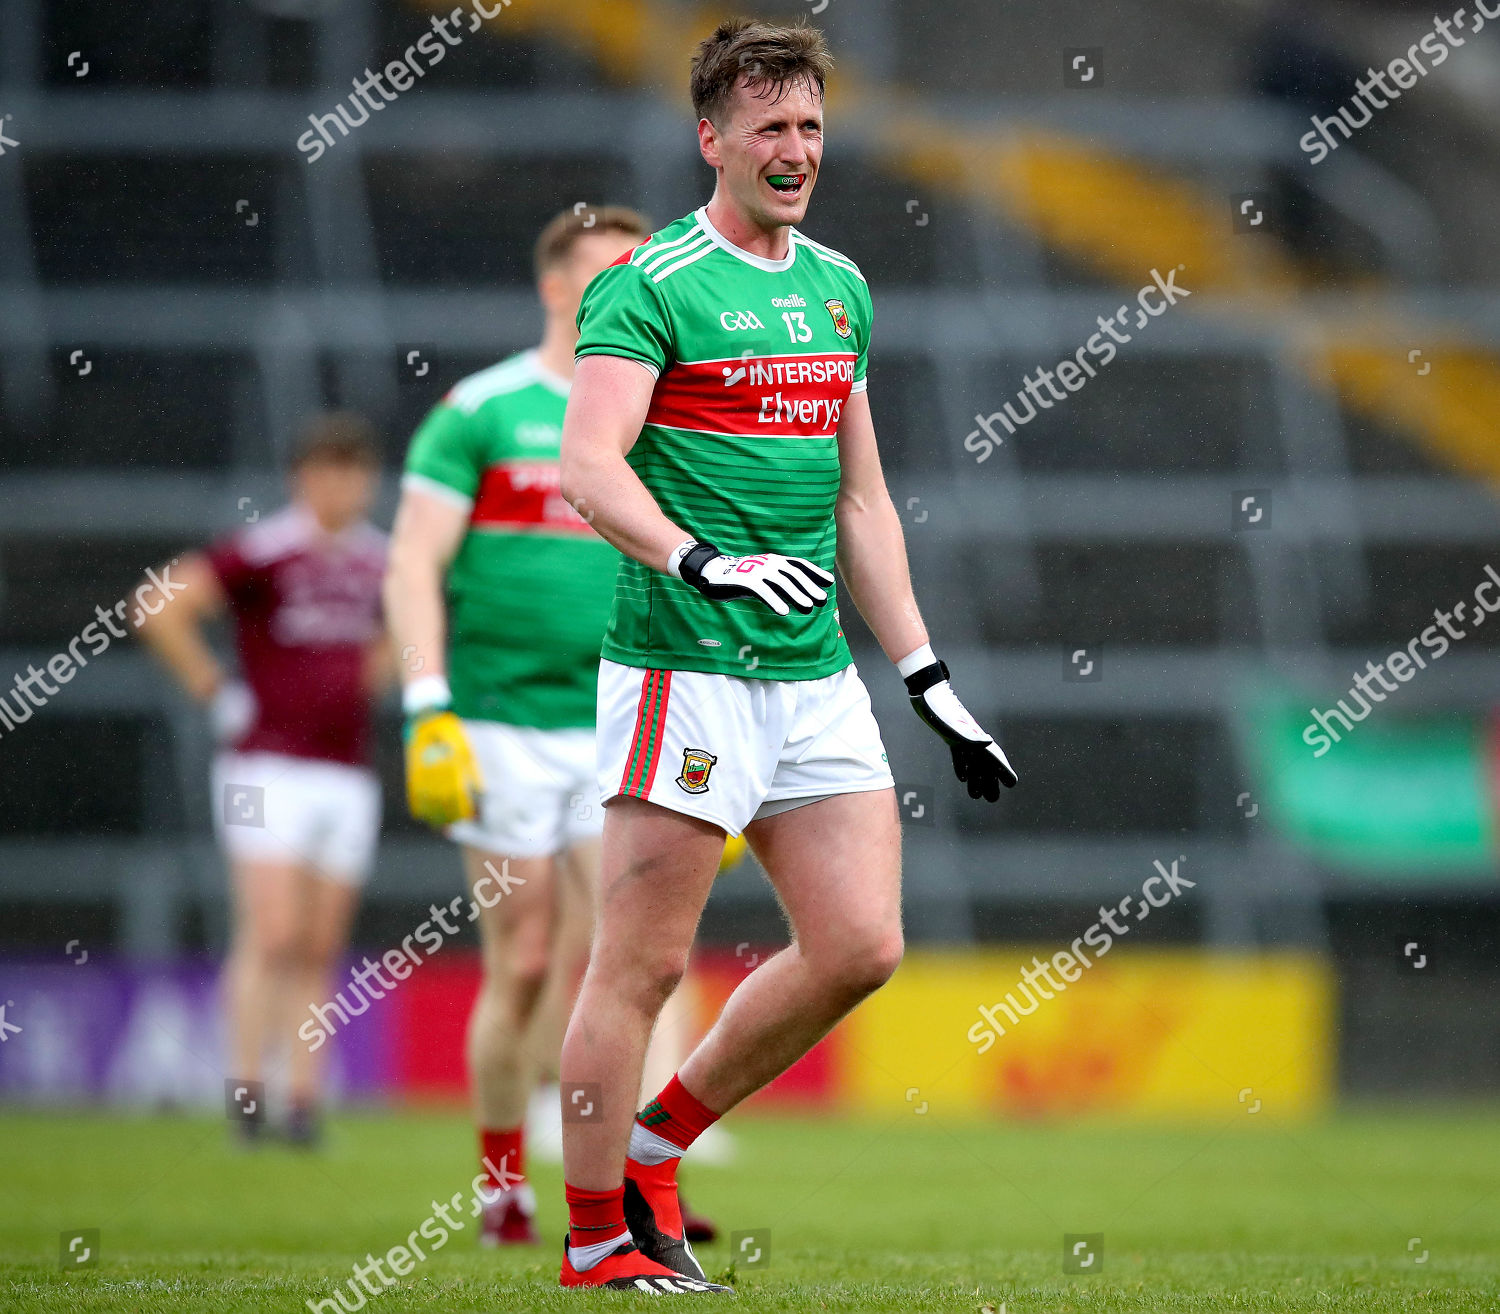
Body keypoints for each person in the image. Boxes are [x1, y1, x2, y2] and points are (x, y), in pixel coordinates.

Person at [554, 18, 1018, 1293]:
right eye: (769, 125)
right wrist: (701, 560)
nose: (796, 147)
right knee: (640, 965)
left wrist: (929, 680)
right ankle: (594, 1238)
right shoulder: (647, 283)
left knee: (863, 944)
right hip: (681, 666)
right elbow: (586, 466)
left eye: (811, 123)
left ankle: (658, 1145)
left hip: (812, 677)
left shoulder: (840, 285)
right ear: (711, 139)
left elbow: (863, 504)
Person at [384, 205, 724, 1247]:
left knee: (634, 957)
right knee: (524, 959)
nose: (618, 294)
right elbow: (411, 563)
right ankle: (501, 1185)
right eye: (596, 277)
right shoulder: (482, 411)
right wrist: (425, 705)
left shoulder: (656, 417)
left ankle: (635, 1187)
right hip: (495, 727)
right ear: (551, 287)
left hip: (621, 722)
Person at [138, 414, 389, 1145]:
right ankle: (247, 1093)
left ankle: (302, 1100)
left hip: (346, 772)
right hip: (266, 766)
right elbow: (159, 606)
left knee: (318, 943)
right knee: (271, 930)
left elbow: (402, 632)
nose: (341, 485)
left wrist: (371, 676)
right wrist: (215, 690)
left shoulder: (381, 559)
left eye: (353, 470)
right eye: (327, 469)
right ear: (300, 478)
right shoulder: (265, 550)